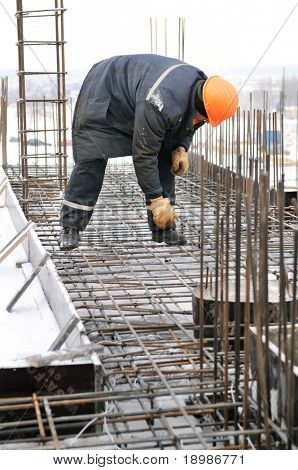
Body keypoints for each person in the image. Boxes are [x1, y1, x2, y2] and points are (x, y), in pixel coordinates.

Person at [58, 54, 238, 250]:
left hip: (135, 100)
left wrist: (181, 147)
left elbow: (188, 124)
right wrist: (156, 199)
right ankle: (70, 226)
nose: (204, 122)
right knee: (92, 159)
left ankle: (163, 227)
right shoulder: (158, 102)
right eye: (205, 118)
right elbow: (144, 156)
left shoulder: (200, 91)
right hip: (103, 96)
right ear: (201, 104)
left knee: (167, 152)